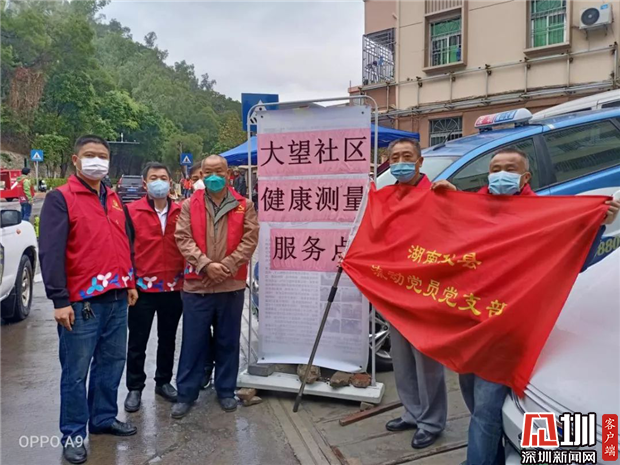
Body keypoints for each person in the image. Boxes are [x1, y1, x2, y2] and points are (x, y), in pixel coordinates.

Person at [432, 147, 620, 465]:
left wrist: (598, 225)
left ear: (525, 177)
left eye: (510, 168)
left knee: (485, 413)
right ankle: (490, 456)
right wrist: (446, 201)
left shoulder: (541, 217)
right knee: (475, 401)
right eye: (495, 168)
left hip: (507, 329)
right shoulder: (473, 209)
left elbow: (574, 263)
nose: (500, 174)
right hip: (469, 327)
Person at [39, 135, 139, 465]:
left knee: (111, 364)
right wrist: (59, 300)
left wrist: (130, 281)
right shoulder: (61, 198)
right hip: (82, 303)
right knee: (76, 372)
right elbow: (50, 252)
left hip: (117, 298)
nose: (97, 161)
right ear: (75, 159)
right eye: (90, 155)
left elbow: (125, 241)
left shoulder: (113, 197)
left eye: (102, 156)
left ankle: (103, 418)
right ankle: (73, 434)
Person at [172, 155, 259, 418]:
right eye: (208, 172)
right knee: (192, 342)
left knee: (227, 340)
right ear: (200, 175)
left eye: (218, 171)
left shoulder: (244, 205)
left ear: (228, 173)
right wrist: (206, 265)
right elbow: (183, 238)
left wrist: (227, 266)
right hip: (197, 285)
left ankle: (226, 390)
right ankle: (186, 394)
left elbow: (250, 239)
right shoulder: (190, 205)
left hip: (231, 285)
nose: (213, 176)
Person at [383, 138, 448, 449]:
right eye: (395, 157)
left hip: (426, 292)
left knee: (428, 362)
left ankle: (431, 422)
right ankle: (412, 412)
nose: (401, 162)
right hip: (394, 291)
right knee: (402, 359)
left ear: (420, 161)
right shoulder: (386, 198)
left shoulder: (438, 194)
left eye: (407, 156)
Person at [123, 162, 185, 413]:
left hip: (174, 287)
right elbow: (125, 249)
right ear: (145, 183)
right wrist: (129, 283)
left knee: (168, 338)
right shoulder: (131, 211)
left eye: (163, 177)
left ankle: (163, 381)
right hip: (142, 288)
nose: (158, 182)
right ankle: (134, 387)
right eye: (153, 178)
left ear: (170, 182)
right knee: (137, 340)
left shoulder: (182, 211)